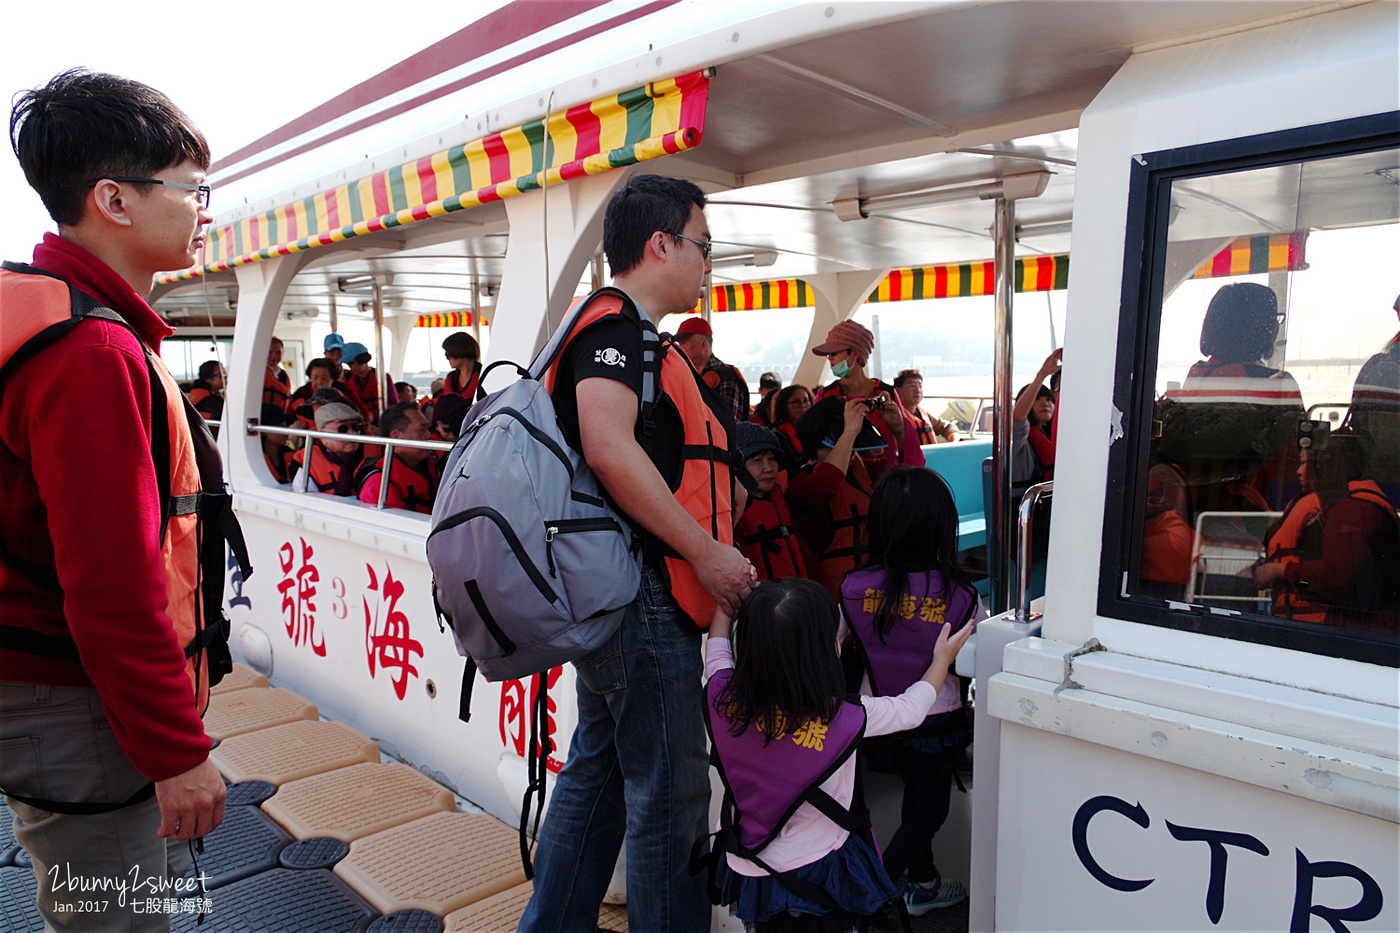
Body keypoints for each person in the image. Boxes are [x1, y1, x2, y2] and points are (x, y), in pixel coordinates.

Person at [1, 68, 236, 931]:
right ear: (115, 199)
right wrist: (177, 753)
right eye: (191, 187)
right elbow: (112, 581)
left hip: (62, 694)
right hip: (75, 704)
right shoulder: (89, 352)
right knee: (119, 917)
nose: (205, 208)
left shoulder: (55, 314)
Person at [519, 174, 753, 933]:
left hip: (621, 593)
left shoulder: (623, 332)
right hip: (649, 596)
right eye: (703, 246)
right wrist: (708, 552)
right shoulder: (615, 331)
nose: (707, 264)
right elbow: (609, 447)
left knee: (604, 773)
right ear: (662, 244)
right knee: (669, 793)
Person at [701, 578, 973, 932]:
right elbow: (911, 709)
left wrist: (724, 604)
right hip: (816, 870)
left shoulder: (722, 696)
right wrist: (941, 660)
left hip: (750, 866)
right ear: (827, 651)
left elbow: (718, 652)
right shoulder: (844, 718)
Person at [839, 467, 985, 916]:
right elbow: (984, 655)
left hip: (877, 719)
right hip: (935, 723)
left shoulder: (851, 587)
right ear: (942, 525)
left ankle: (923, 884)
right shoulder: (962, 596)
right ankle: (871, 897)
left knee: (912, 804)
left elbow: (831, 646)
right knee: (929, 813)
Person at [1158, 283, 1305, 516]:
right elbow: (1296, 460)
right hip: (1251, 515)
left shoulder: (1195, 377)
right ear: (1264, 329)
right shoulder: (1277, 384)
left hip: (1182, 508)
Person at [1254, 434, 1399, 634]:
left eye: (1307, 464)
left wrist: (1279, 571)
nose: (1299, 471)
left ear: (1327, 465)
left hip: (1357, 634)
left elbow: (1338, 576)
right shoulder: (1359, 505)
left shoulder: (1352, 509)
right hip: (1357, 631)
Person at [788, 397, 885, 597]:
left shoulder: (859, 471)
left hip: (869, 585)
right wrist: (848, 432)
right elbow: (825, 486)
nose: (848, 453)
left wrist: (898, 429)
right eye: (842, 446)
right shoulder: (800, 483)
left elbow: (902, 469)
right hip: (830, 592)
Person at [811, 319, 924, 468]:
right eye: (828, 355)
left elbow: (910, 450)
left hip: (883, 477)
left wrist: (898, 427)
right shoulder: (825, 395)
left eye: (834, 353)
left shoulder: (887, 394)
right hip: (843, 480)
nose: (829, 358)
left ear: (855, 354)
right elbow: (813, 443)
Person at [734, 423, 811, 581]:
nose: (768, 468)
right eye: (757, 461)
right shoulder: (732, 511)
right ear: (738, 468)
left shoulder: (780, 498)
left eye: (772, 459)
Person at [354, 402, 439, 513]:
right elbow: (393, 524)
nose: (429, 435)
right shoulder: (379, 480)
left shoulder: (432, 463)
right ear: (395, 437)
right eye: (421, 430)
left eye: (428, 428)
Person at [676, 315, 752, 423]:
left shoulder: (726, 376)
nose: (679, 348)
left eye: (683, 343)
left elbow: (729, 426)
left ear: (703, 345)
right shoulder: (686, 374)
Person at [290, 401, 364, 496]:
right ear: (322, 434)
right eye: (342, 429)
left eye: (356, 427)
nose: (352, 433)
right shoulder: (308, 463)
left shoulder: (372, 458)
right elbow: (306, 503)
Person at [1011, 349, 1061, 484]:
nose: (1045, 404)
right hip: (1028, 502)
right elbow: (1018, 418)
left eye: (1049, 399)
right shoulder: (1019, 439)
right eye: (1037, 399)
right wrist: (1042, 375)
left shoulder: (1055, 434)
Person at [340, 341, 398, 425]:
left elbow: (394, 405)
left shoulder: (383, 378)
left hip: (383, 424)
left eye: (351, 363)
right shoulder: (349, 381)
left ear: (362, 360)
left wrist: (373, 415)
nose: (350, 368)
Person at [893, 370, 956, 444]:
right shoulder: (893, 417)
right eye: (912, 386)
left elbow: (947, 426)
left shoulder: (921, 414)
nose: (918, 390)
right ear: (897, 391)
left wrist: (954, 441)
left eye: (920, 386)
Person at [769, 384, 813, 466]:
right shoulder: (778, 435)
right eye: (795, 402)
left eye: (805, 401)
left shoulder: (815, 429)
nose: (802, 406)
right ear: (784, 406)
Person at [287, 357, 337, 428]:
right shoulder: (299, 397)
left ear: (332, 379)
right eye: (315, 378)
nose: (319, 382)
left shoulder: (342, 395)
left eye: (324, 378)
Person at [259, 402, 298, 484]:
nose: (286, 430)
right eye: (280, 426)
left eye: (285, 425)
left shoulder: (293, 456)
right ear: (262, 431)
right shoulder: (252, 459)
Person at [442, 330, 485, 401]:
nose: (447, 358)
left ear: (458, 351)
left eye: (448, 354)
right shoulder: (450, 379)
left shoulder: (482, 376)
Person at [263, 335, 291, 410]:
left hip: (281, 418)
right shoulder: (258, 374)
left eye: (278, 353)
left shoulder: (283, 375)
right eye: (270, 352)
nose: (274, 356)